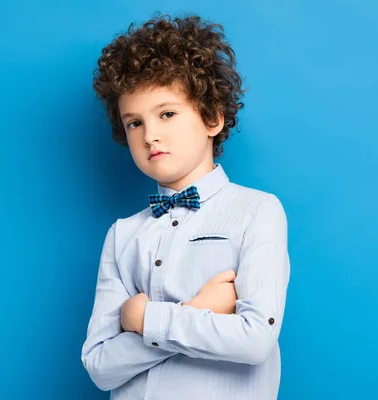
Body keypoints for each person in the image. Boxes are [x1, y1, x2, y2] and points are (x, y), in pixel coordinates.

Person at [81, 13, 291, 400]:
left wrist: (144, 319)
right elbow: (99, 366)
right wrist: (196, 309)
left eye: (167, 114)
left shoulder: (256, 211)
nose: (150, 135)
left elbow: (256, 339)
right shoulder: (122, 234)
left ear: (211, 118)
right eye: (134, 123)